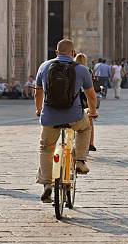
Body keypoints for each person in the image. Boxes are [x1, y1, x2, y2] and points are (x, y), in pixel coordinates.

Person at [34, 39, 98, 203]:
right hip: (74, 117)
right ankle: (80, 160)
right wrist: (92, 112)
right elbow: (91, 96)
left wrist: (39, 110)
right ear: (73, 53)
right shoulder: (82, 70)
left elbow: (38, 94)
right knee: (85, 128)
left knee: (46, 148)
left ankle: (47, 184)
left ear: (56, 53)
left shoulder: (44, 66)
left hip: (50, 117)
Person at [76, 53, 98, 152]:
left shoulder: (72, 69)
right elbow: (91, 89)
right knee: (89, 121)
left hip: (75, 99)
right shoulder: (88, 70)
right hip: (86, 98)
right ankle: (90, 143)